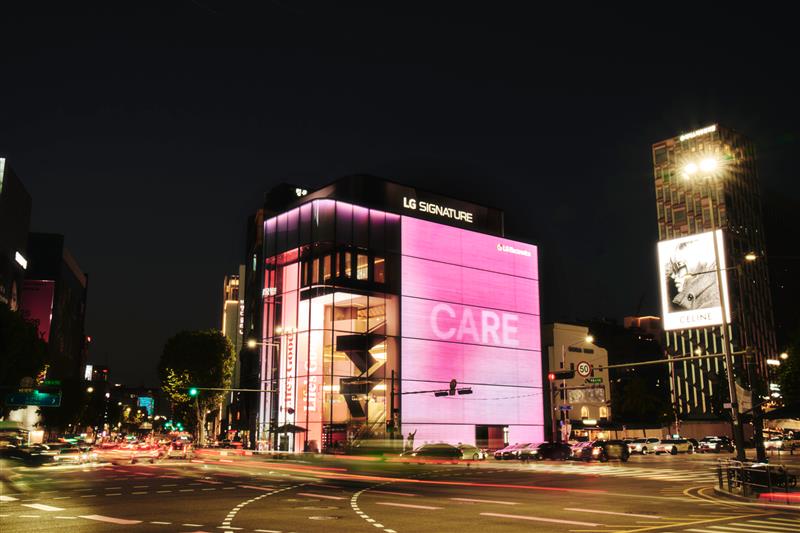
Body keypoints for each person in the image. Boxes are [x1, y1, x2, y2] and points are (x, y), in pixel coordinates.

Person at [666, 239, 720, 311]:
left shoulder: (712, 301)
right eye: (673, 269)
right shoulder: (701, 297)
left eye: (679, 265)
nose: (673, 276)